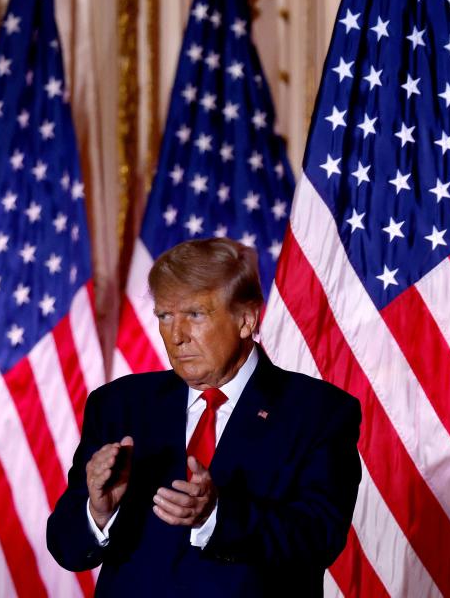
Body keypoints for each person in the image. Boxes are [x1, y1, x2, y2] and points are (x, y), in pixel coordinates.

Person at [47, 237, 362, 596]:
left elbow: (318, 538)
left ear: (246, 320)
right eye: (165, 316)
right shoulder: (120, 404)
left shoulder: (318, 411)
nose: (176, 335)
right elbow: (66, 547)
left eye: (195, 314)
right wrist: (98, 513)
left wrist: (216, 516)